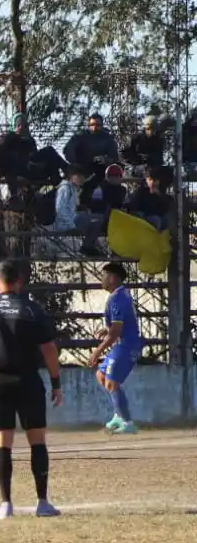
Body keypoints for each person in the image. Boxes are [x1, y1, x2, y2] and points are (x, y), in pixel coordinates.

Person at [0, 259, 63, 519]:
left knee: (3, 444)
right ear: (19, 280)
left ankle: (6, 504)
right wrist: (56, 383)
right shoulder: (31, 310)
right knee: (37, 441)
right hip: (28, 380)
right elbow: (49, 349)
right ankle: (42, 503)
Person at [89, 262, 142, 435]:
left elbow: (116, 332)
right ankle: (119, 415)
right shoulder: (120, 295)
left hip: (127, 345)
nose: (101, 279)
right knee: (101, 375)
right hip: (123, 343)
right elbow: (119, 325)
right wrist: (107, 328)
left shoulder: (118, 298)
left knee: (112, 382)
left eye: (104, 275)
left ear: (113, 278)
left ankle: (127, 422)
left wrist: (97, 351)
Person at [63, 112, 120, 180]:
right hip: (79, 169)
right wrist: (77, 162)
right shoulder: (79, 136)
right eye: (92, 124)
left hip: (99, 171)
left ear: (102, 125)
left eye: (98, 125)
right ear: (88, 125)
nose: (94, 127)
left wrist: (105, 159)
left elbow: (114, 157)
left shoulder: (107, 139)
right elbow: (67, 152)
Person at [124, 167, 169, 231]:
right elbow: (134, 205)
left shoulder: (159, 194)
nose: (153, 182)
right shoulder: (141, 191)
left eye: (155, 180)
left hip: (154, 218)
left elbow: (164, 210)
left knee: (163, 220)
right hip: (143, 218)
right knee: (154, 219)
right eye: (151, 179)